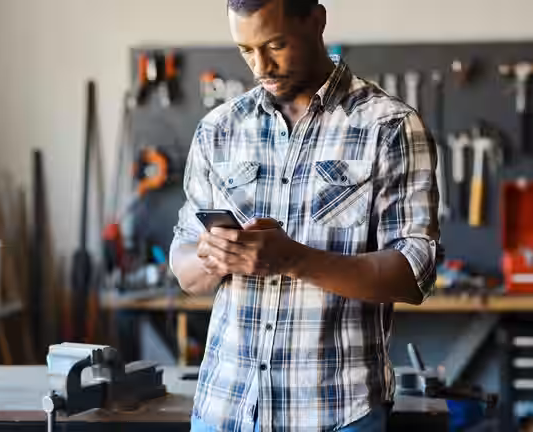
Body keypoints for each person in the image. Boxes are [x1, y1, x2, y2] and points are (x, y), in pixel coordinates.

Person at [170, 0, 441, 430]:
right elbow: (185, 268)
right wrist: (213, 255)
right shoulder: (218, 130)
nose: (261, 66)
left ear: (316, 21)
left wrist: (294, 259)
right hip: (224, 409)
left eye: (275, 45)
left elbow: (414, 273)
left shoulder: (389, 126)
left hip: (335, 413)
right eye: (246, 50)